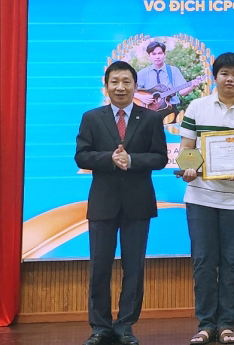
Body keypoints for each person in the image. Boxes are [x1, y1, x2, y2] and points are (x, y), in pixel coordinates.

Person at [179, 52, 234, 345]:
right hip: (200, 197)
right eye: (224, 73)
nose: (229, 79)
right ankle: (205, 325)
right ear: (215, 77)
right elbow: (186, 148)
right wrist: (189, 167)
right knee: (203, 262)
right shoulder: (197, 106)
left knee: (231, 262)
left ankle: (227, 324)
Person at [75, 61, 168, 345]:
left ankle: (125, 325)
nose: (120, 87)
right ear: (106, 86)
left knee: (134, 267)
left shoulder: (150, 118)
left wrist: (132, 160)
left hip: (138, 203)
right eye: (115, 81)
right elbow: (82, 156)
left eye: (126, 81)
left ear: (136, 86)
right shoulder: (92, 117)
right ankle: (100, 327)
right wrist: (109, 159)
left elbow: (160, 158)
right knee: (100, 266)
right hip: (103, 203)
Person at [135, 41, 202, 119]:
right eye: (154, 54)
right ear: (148, 56)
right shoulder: (143, 73)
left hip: (170, 111)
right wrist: (140, 97)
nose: (157, 57)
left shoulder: (173, 71)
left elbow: (182, 92)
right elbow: (130, 91)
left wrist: (192, 86)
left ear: (164, 54)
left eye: (160, 53)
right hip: (149, 111)